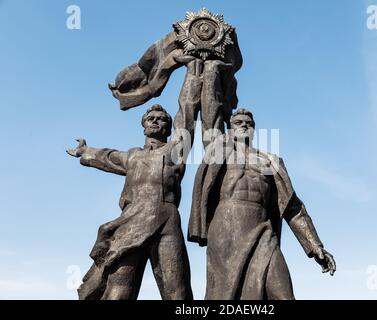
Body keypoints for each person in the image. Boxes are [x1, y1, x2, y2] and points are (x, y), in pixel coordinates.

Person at [188, 108, 336, 300]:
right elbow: (211, 112)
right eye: (238, 122)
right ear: (230, 129)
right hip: (226, 229)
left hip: (262, 229)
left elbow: (292, 206)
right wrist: (212, 76)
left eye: (248, 123)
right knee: (224, 296)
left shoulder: (270, 161)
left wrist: (315, 246)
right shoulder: (219, 153)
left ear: (254, 129)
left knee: (283, 293)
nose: (244, 125)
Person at [67, 104, 193, 300]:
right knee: (119, 288)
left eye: (161, 119)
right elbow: (107, 157)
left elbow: (186, 118)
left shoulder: (175, 151)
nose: (155, 121)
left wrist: (193, 79)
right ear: (143, 125)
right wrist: (85, 150)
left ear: (169, 128)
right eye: (150, 118)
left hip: (166, 221)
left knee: (177, 290)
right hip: (133, 220)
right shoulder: (133, 155)